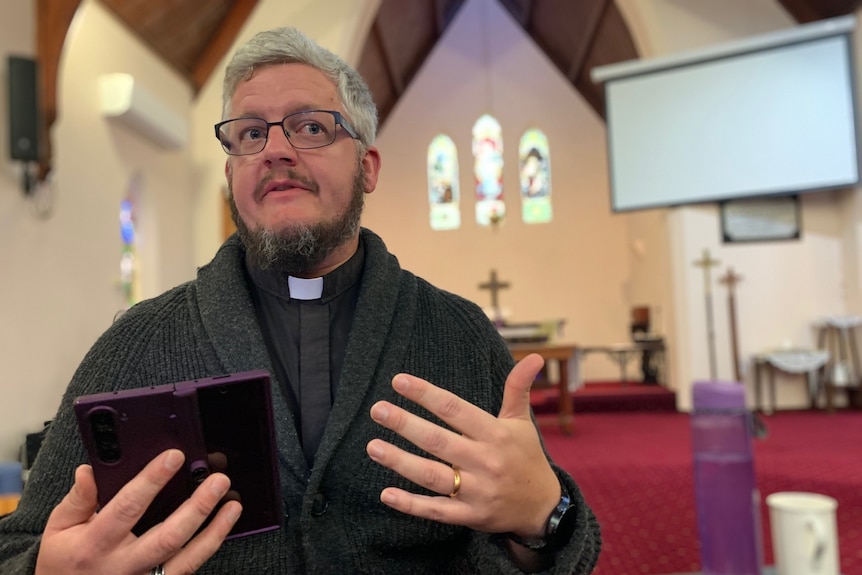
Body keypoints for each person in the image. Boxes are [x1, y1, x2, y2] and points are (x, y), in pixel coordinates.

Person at [0, 26, 601, 574]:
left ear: (367, 167)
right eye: (250, 134)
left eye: (311, 127)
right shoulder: (136, 342)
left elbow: (558, 546)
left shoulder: (459, 333)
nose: (275, 150)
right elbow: (19, 545)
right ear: (233, 172)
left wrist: (544, 518)